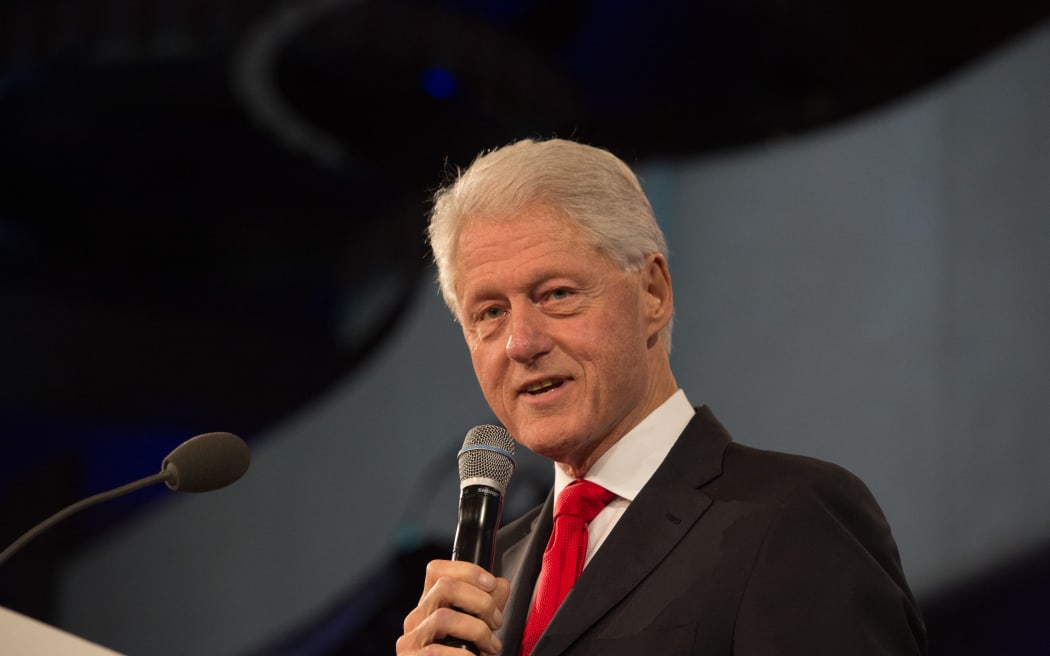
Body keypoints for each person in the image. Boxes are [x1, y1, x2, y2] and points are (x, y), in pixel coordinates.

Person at [396, 138, 927, 655]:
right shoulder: (491, 575)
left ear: (653, 292)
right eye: (490, 312)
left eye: (556, 294)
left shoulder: (793, 518)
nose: (521, 343)